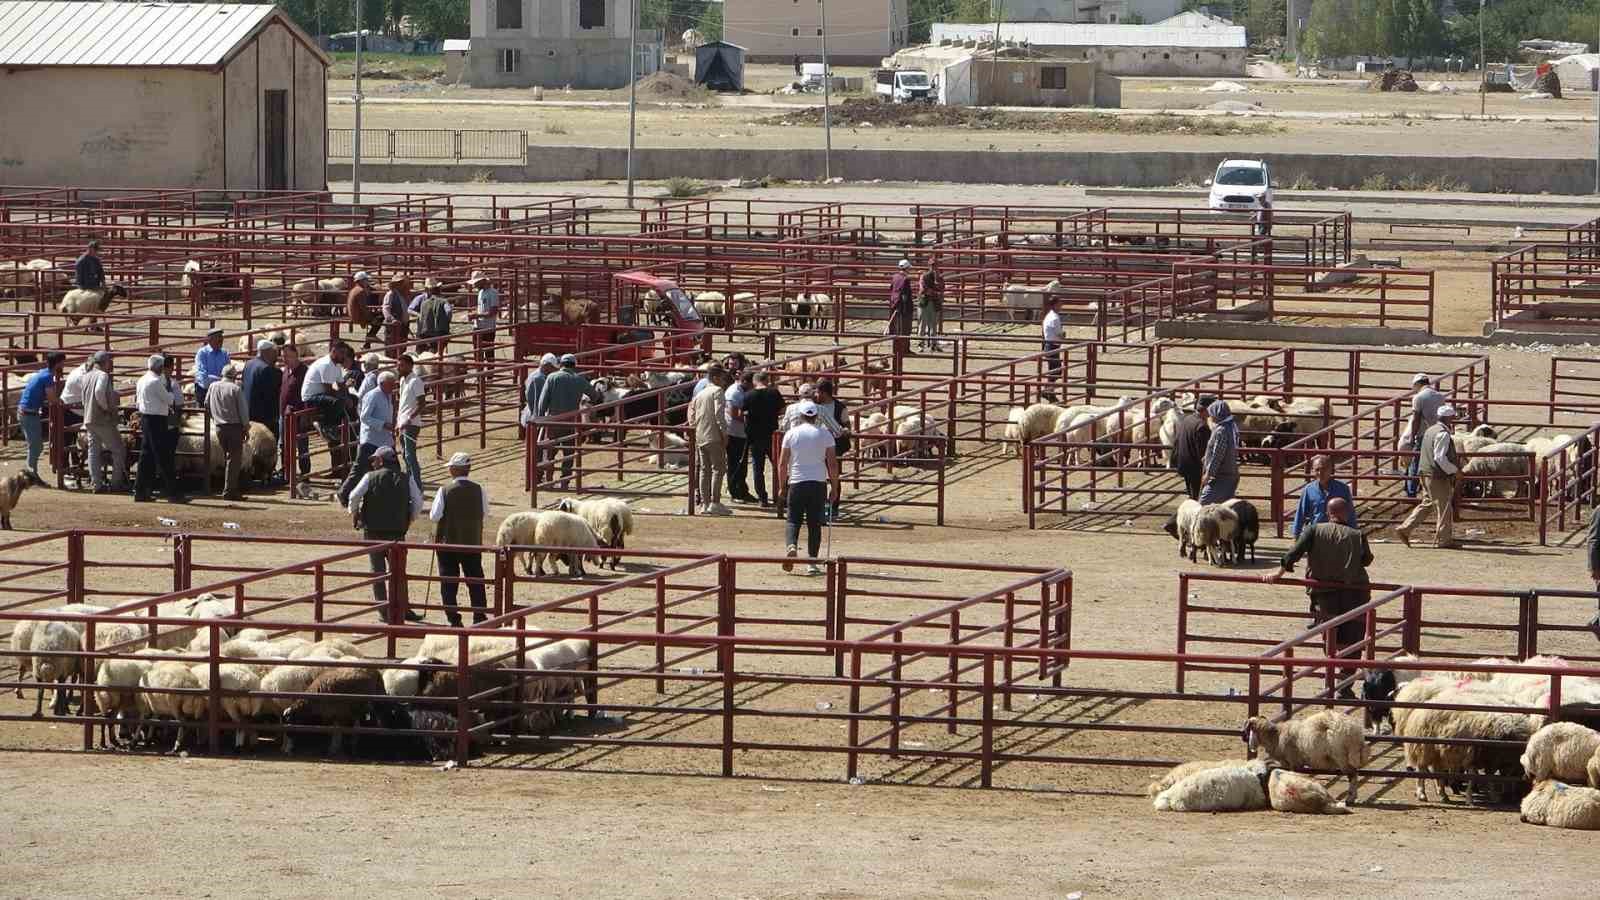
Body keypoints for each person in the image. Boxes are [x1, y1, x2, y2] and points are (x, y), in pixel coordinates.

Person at [1264, 496, 1372, 698]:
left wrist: (1278, 573)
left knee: (1330, 637)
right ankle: (1344, 684)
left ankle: (1333, 679)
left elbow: (1293, 552)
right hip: (1354, 595)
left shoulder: (1314, 530)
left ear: (1329, 513)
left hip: (1324, 595)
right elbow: (1366, 560)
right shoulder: (1357, 534)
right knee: (1354, 640)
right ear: (1345, 513)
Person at [347, 446, 425, 623]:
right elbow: (418, 502)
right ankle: (404, 609)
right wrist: (409, 519)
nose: (373, 463)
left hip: (373, 531)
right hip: (397, 533)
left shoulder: (370, 477)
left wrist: (355, 514)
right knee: (399, 572)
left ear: (381, 461)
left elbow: (353, 497)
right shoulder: (406, 479)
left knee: (378, 572)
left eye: (375, 460)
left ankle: (384, 611)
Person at [777, 400, 841, 577]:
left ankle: (791, 545)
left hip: (797, 481)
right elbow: (833, 464)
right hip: (818, 482)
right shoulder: (825, 434)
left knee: (793, 519)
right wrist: (834, 487)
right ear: (816, 416)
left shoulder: (791, 434)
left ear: (801, 415)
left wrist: (782, 486)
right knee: (814, 524)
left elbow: (782, 464)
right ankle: (812, 562)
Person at [430, 452, 491, 627]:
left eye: (450, 467)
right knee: (475, 580)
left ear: (455, 469)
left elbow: (435, 516)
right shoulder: (479, 489)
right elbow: (486, 514)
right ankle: (479, 616)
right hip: (472, 542)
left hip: (448, 543)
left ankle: (453, 618)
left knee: (449, 581)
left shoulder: (445, 490)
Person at [1396, 404, 1460, 550]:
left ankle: (1405, 529)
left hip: (1424, 472)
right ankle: (1444, 540)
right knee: (1444, 507)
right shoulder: (1443, 434)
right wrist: (1454, 471)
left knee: (1427, 504)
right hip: (1436, 475)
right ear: (1449, 418)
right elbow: (1440, 458)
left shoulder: (1430, 430)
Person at [536, 353, 600, 489]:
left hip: (553, 421)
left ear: (561, 364)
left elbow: (542, 402)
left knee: (549, 451)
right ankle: (565, 481)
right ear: (574, 365)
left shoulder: (552, 378)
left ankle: (548, 480)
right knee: (569, 453)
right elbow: (594, 396)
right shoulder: (579, 380)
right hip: (571, 422)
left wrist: (541, 417)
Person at [339, 370, 397, 508]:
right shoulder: (373, 395)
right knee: (359, 469)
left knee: (393, 467)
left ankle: (392, 496)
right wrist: (383, 425)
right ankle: (343, 493)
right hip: (371, 439)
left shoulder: (387, 396)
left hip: (385, 439)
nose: (393, 387)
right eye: (391, 384)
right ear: (383, 384)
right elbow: (364, 417)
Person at [301, 341, 355, 478]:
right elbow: (328, 390)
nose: (343, 356)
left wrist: (347, 395)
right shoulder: (325, 365)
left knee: (351, 400)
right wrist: (344, 399)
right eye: (341, 353)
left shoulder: (335, 366)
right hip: (312, 397)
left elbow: (340, 385)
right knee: (337, 402)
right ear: (334, 351)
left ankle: (335, 427)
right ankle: (325, 426)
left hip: (323, 396)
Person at [134, 354, 182, 503]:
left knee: (146, 455)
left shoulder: (142, 380)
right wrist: (170, 395)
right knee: (164, 456)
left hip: (146, 418)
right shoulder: (155, 382)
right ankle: (173, 493)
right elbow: (169, 399)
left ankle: (140, 491)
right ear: (160, 367)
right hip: (157, 419)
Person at [80, 351, 126, 494]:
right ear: (105, 362)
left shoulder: (86, 376)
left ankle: (97, 484)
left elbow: (83, 398)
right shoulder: (103, 375)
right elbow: (99, 392)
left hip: (88, 418)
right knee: (118, 450)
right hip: (102, 419)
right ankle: (116, 483)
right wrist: (106, 408)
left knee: (93, 451)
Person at [16, 352, 65, 486]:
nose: (63, 365)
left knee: (35, 446)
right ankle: (30, 475)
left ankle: (30, 474)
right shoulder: (48, 376)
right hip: (29, 413)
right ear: (58, 363)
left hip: (27, 412)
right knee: (35, 446)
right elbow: (51, 398)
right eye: (62, 362)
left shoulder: (43, 373)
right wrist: (61, 401)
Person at [690, 365, 732, 515]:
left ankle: (704, 503)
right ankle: (715, 502)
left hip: (700, 435)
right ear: (715, 378)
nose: (723, 381)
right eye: (721, 378)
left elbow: (692, 413)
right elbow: (719, 414)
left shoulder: (700, 393)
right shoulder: (717, 391)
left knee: (704, 470)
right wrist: (724, 433)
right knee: (718, 469)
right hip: (713, 435)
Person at [205, 363, 249, 500]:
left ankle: (225, 487)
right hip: (234, 427)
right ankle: (230, 491)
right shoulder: (236, 389)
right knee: (234, 459)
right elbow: (243, 411)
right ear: (234, 376)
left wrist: (215, 418)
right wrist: (246, 427)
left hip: (219, 427)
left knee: (226, 457)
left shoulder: (213, 386)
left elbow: (206, 404)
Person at [743, 370, 784, 507]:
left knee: (758, 468)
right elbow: (782, 410)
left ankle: (762, 498)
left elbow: (742, 411)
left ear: (755, 381)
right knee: (779, 465)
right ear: (766, 380)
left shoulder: (749, 395)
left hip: (755, 436)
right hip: (772, 434)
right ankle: (782, 495)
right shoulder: (774, 393)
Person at [1401, 373, 1445, 499]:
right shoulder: (1440, 396)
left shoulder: (1418, 397)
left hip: (1423, 434)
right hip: (1437, 433)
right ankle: (1432, 490)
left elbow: (1416, 418)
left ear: (1418, 384)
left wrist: (1412, 437)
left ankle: (1411, 491)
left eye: (1414, 385)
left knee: (1415, 461)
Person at [1292, 454, 1358, 538]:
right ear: (1313, 471)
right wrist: (1296, 535)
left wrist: (1354, 535)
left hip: (1338, 535)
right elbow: (1301, 514)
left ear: (1330, 470)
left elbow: (1350, 514)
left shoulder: (1343, 489)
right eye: (1317, 470)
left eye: (1323, 469)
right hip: (1317, 534)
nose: (1320, 473)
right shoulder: (1308, 490)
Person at [815, 379, 850, 518]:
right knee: (820, 477)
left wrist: (845, 431)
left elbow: (847, 425)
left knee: (834, 476)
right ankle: (821, 505)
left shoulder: (840, 407)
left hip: (834, 447)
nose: (816, 394)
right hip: (817, 446)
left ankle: (833, 506)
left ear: (824, 393)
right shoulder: (815, 406)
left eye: (818, 391)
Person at [1170, 395, 1214, 501]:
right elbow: (1203, 453)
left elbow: (1177, 442)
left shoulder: (1187, 419)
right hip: (1196, 468)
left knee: (1192, 495)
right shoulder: (1202, 426)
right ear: (1207, 410)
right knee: (1198, 497)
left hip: (1185, 465)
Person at [278, 345, 312, 478]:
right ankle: (286, 472)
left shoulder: (304, 372)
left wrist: (305, 415)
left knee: (302, 445)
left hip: (298, 415)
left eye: (286, 356)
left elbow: (307, 394)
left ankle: (305, 473)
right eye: (283, 356)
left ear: (295, 356)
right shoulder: (286, 370)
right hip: (284, 415)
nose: (284, 359)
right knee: (283, 444)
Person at [395, 353, 426, 494]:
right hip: (403, 422)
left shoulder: (415, 381)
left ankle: (417, 487)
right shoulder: (403, 381)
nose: (398, 367)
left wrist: (409, 418)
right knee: (405, 455)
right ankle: (411, 484)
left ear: (409, 365)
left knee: (410, 455)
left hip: (411, 423)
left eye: (401, 365)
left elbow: (421, 403)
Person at [1199, 399, 1240, 504]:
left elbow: (1218, 455)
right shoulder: (1232, 425)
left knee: (1205, 502)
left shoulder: (1221, 430)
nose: (1210, 417)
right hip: (1230, 471)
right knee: (1225, 504)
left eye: (1211, 414)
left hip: (1221, 475)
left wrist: (1208, 474)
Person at [242, 340, 281, 440]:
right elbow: (272, 396)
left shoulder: (249, 364)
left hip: (249, 415)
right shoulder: (267, 369)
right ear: (267, 352)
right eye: (274, 353)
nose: (276, 356)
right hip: (264, 418)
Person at [725, 368, 753, 503]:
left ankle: (742, 490)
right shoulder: (734, 393)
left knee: (741, 463)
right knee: (734, 462)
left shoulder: (741, 391)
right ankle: (735, 491)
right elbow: (734, 414)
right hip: (734, 432)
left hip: (741, 432)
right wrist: (753, 417)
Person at [413, 278, 453, 355]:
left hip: (425, 333)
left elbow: (421, 318)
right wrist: (446, 321)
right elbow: (448, 311)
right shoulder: (444, 301)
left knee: (421, 353)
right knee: (437, 354)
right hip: (439, 333)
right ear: (438, 290)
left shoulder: (424, 303)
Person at [192, 327, 228, 405]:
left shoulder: (224, 353)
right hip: (205, 390)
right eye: (218, 338)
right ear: (210, 340)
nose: (221, 340)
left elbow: (228, 372)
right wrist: (221, 380)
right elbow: (203, 377)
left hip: (220, 390)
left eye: (221, 338)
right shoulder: (202, 353)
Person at [521, 353, 558, 429]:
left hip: (532, 414)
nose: (554, 370)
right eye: (552, 367)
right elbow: (536, 401)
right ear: (546, 365)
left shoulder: (536, 375)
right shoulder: (538, 379)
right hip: (535, 416)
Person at [468, 271, 499, 362]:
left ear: (481, 281)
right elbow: (483, 309)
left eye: (476, 283)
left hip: (487, 327)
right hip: (478, 326)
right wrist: (476, 314)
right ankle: (481, 375)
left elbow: (493, 311)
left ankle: (488, 375)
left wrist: (477, 315)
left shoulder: (492, 293)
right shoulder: (481, 292)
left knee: (488, 352)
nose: (475, 285)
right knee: (478, 353)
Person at [917, 258, 945, 352]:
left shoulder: (939, 277)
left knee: (934, 325)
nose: (933, 267)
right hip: (925, 302)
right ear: (929, 266)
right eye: (932, 265)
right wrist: (935, 292)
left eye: (935, 265)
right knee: (922, 324)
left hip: (934, 303)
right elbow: (924, 289)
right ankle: (921, 344)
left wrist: (935, 291)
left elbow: (941, 288)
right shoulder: (924, 276)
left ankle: (934, 344)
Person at [347, 272, 380, 351]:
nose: (367, 282)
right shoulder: (361, 291)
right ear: (361, 281)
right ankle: (370, 337)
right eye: (365, 280)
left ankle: (367, 343)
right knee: (380, 318)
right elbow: (363, 308)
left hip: (354, 315)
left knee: (377, 316)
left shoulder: (354, 290)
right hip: (359, 316)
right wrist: (371, 317)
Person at [888, 258, 915, 354]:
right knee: (905, 328)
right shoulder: (905, 279)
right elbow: (905, 295)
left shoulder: (894, 277)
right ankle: (904, 350)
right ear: (907, 268)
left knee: (896, 328)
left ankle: (897, 349)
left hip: (894, 304)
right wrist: (905, 308)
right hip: (904, 307)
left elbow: (891, 289)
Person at [380, 274, 410, 351]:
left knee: (402, 345)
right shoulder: (390, 294)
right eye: (400, 283)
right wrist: (392, 319)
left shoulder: (402, 294)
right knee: (392, 345)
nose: (403, 284)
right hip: (394, 325)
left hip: (402, 323)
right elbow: (386, 308)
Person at [1041, 300, 1065, 375]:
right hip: (1052, 346)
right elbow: (1059, 334)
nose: (1060, 306)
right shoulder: (1055, 318)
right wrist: (1063, 335)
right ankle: (1048, 386)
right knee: (1056, 371)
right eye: (1058, 305)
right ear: (1054, 306)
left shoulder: (1049, 316)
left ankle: (1049, 385)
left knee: (1054, 371)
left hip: (1049, 345)